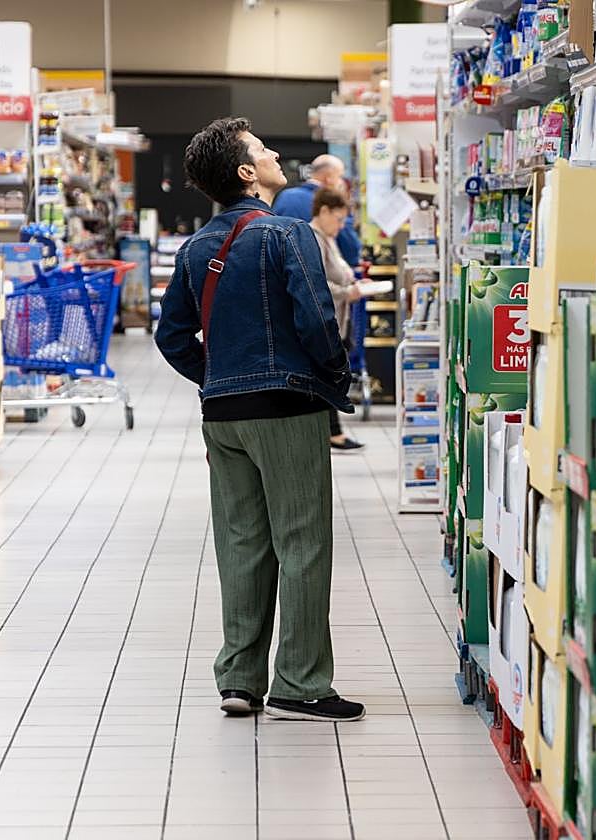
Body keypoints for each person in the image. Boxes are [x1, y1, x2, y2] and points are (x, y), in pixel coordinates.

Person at [154, 117, 364, 723]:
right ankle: (300, 684)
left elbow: (172, 336)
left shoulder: (195, 248)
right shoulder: (287, 234)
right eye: (262, 150)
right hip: (284, 408)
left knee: (241, 541)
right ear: (248, 173)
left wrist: (218, 376)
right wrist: (333, 376)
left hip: (223, 416)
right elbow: (317, 319)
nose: (274, 154)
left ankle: (239, 680)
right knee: (301, 541)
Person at [310, 188, 366, 451]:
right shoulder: (314, 238)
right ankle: (332, 432)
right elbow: (317, 282)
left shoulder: (328, 238)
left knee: (331, 378)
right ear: (323, 211)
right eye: (339, 218)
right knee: (327, 378)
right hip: (326, 321)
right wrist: (347, 292)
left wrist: (355, 281)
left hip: (339, 319)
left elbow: (339, 272)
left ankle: (332, 430)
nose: (341, 225)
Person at [272, 154, 362, 268]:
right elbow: (351, 249)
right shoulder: (334, 203)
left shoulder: (285, 196)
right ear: (329, 177)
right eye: (340, 177)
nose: (341, 182)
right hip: (321, 273)